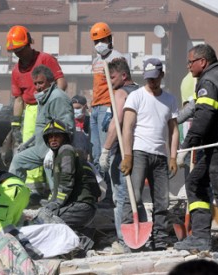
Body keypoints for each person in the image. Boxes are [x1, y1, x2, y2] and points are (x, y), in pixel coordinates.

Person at [121, 58, 179, 251]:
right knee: (133, 196)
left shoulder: (170, 99)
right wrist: (128, 155)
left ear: (162, 75)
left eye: (155, 78)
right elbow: (127, 127)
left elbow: (174, 130)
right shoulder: (136, 97)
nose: (152, 82)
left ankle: (160, 240)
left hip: (160, 156)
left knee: (162, 201)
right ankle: (131, 241)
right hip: (139, 154)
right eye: (148, 79)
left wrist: (172, 156)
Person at [6, 25, 67, 196]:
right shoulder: (16, 70)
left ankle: (50, 187)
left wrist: (55, 101)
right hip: (31, 109)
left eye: (19, 49)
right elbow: (18, 98)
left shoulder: (45, 59)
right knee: (30, 147)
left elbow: (61, 82)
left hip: (48, 105)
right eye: (14, 51)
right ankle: (34, 188)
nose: (17, 53)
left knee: (49, 145)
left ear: (28, 44)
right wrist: (16, 124)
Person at [8, 65, 74, 206]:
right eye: (36, 83)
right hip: (40, 147)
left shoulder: (57, 98)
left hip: (55, 150)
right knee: (18, 162)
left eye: (41, 83)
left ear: (50, 81)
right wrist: (27, 144)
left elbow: (67, 127)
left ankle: (57, 206)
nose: (38, 87)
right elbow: (41, 129)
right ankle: (14, 199)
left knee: (53, 177)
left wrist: (53, 151)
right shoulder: (44, 99)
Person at [174, 44, 218, 251]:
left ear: (203, 62)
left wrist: (185, 146)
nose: (188, 66)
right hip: (212, 149)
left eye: (191, 62)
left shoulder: (208, 81)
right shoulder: (212, 77)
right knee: (195, 183)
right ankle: (200, 238)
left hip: (216, 148)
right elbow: (195, 107)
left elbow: (203, 117)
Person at [36, 119, 100, 251]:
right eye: (50, 137)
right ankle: (85, 233)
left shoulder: (66, 150)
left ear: (64, 137)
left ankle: (84, 242)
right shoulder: (59, 154)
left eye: (57, 136)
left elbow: (66, 181)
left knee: (48, 220)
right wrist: (50, 202)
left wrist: (56, 203)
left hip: (81, 206)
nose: (53, 139)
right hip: (80, 206)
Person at [98, 58, 139, 251]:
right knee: (134, 197)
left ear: (123, 75)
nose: (110, 81)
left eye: (112, 77)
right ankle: (138, 237)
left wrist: (105, 150)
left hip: (122, 153)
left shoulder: (121, 93)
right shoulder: (142, 92)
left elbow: (115, 124)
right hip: (139, 152)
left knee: (120, 197)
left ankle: (124, 241)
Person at [89, 22, 124, 204]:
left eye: (102, 39)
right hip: (95, 108)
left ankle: (111, 195)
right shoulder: (96, 59)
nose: (99, 44)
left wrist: (112, 108)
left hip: (107, 107)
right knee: (96, 155)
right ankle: (101, 194)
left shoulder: (116, 58)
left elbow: (121, 84)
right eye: (96, 41)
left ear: (110, 39)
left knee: (107, 153)